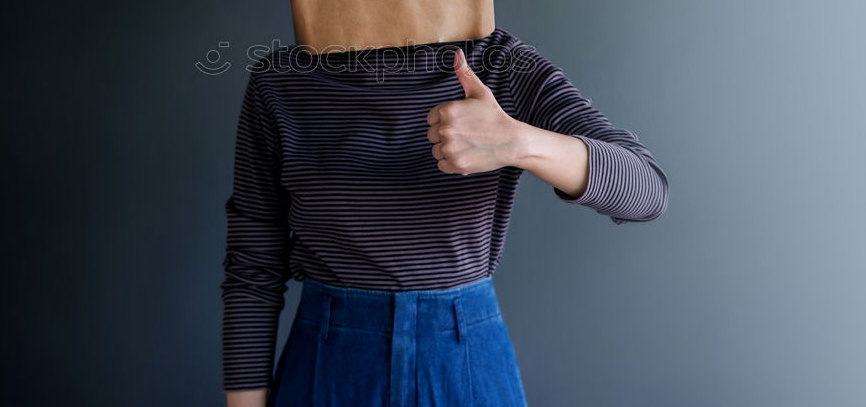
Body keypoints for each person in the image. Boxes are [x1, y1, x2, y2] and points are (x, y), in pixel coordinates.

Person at [221, 27, 669, 406]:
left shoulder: (499, 64)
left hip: (463, 358)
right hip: (327, 362)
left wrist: (518, 143)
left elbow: (646, 190)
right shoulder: (280, 80)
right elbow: (252, 264)